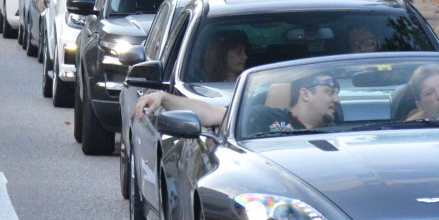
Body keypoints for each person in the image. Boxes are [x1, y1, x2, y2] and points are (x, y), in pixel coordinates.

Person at [134, 70, 341, 133]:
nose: (337, 99)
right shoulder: (264, 116)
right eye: (330, 92)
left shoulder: (343, 131)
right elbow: (211, 113)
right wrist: (163, 98)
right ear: (305, 94)